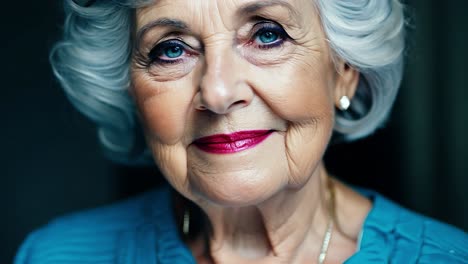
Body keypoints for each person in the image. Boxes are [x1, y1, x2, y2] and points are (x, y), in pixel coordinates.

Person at [15, 0, 467, 263]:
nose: (217, 92)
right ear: (131, 90)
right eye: (171, 50)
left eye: (268, 35)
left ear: (344, 70)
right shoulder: (55, 255)